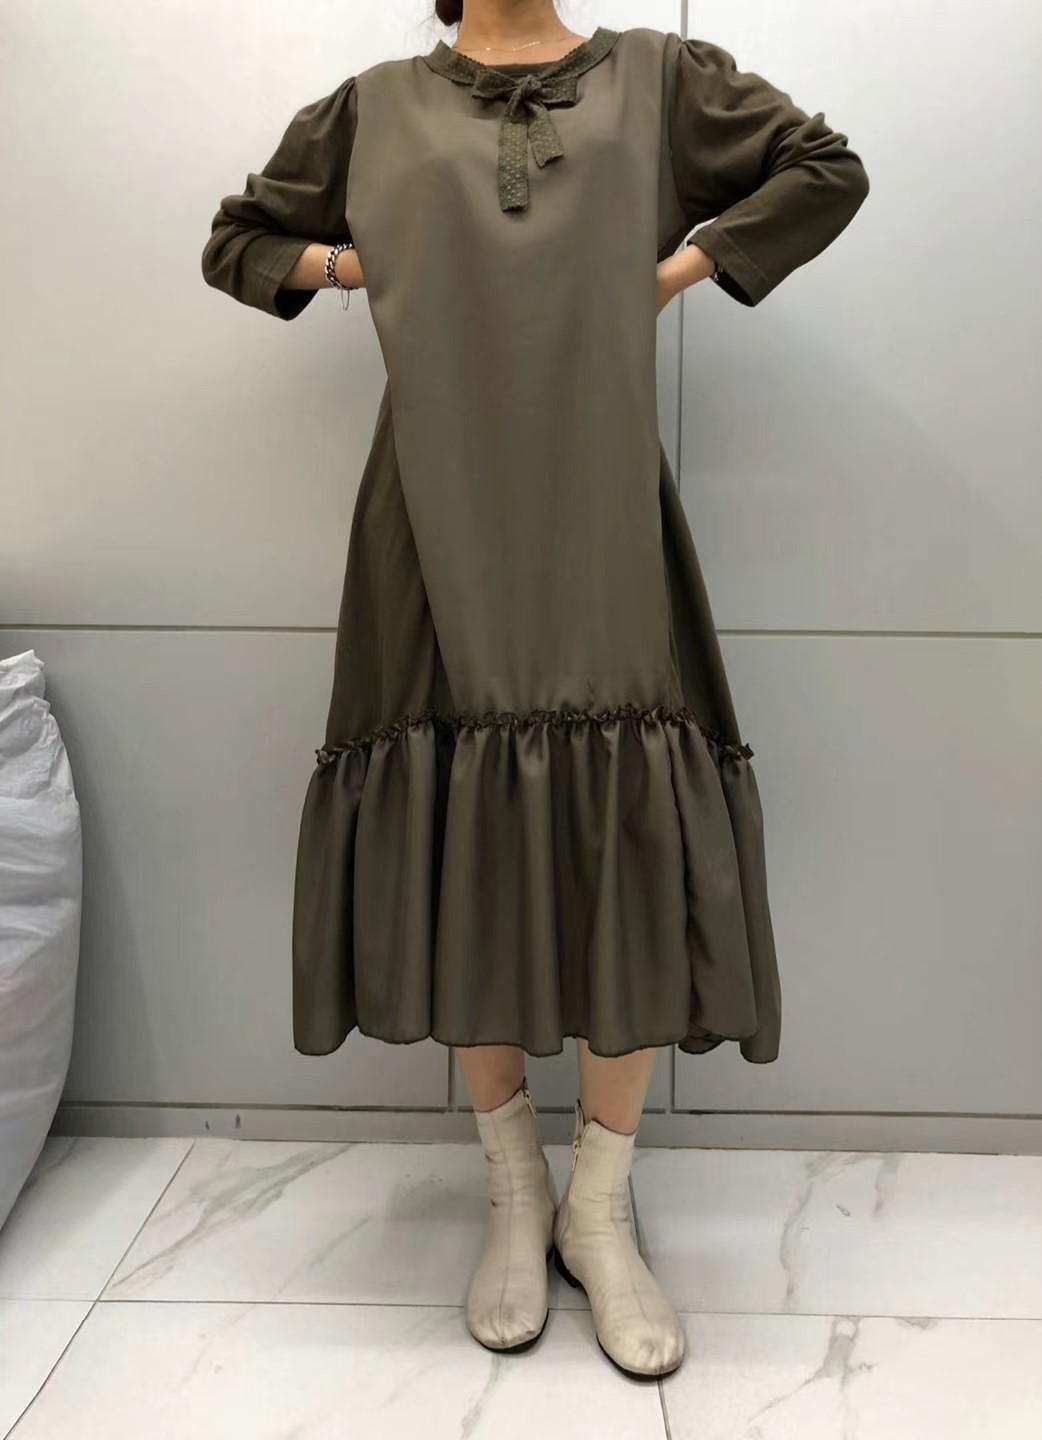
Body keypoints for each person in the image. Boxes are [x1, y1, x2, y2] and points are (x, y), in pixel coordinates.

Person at [200, 0, 869, 1380]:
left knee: (629, 825)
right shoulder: (374, 105)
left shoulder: (659, 82)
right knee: (469, 833)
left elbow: (823, 169)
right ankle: (514, 1194)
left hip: (599, 496)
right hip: (431, 513)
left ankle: (597, 1208)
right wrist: (360, 262)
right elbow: (239, 241)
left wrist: (670, 273)